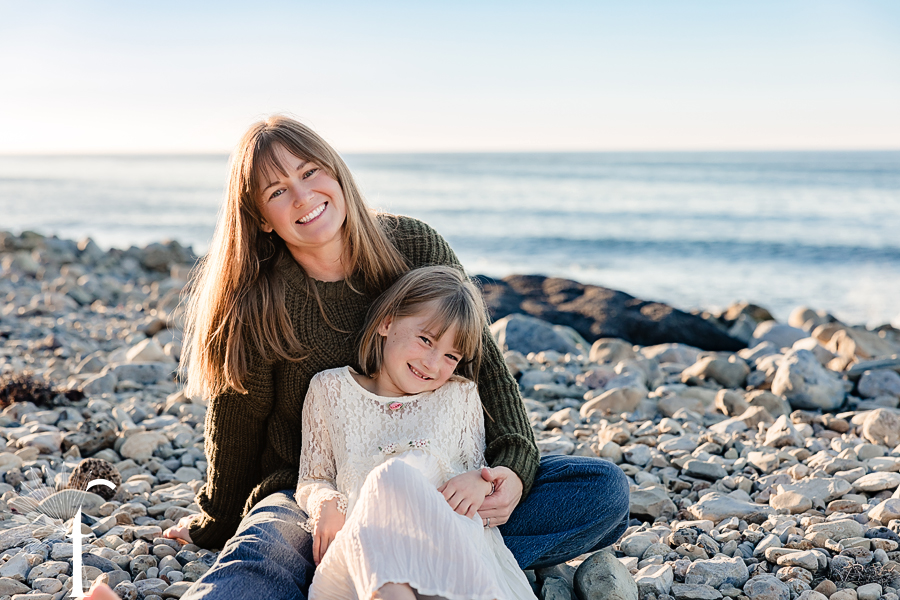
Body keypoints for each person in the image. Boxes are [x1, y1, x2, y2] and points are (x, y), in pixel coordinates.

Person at [83, 115, 629, 600]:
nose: (302, 196)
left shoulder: (413, 247)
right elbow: (237, 424)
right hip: (318, 495)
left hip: (437, 481)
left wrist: (510, 469)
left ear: (337, 172)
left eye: (310, 171)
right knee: (264, 555)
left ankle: (381, 565)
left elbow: (482, 365)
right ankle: (397, 565)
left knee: (601, 490)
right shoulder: (257, 304)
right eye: (277, 190)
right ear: (261, 218)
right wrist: (216, 522)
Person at [301, 265, 535, 599]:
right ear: (387, 322)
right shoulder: (330, 389)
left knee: (394, 476)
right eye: (425, 340)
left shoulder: (459, 394)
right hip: (364, 545)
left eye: (451, 356)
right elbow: (313, 476)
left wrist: (481, 481)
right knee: (387, 479)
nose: (433, 364)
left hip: (444, 542)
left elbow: (472, 469)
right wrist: (325, 502)